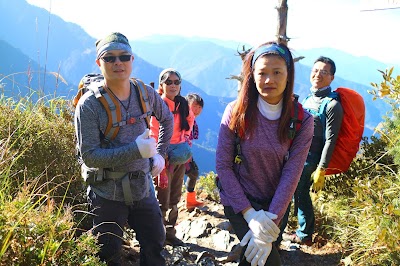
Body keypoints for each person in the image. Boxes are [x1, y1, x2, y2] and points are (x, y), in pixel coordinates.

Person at [74, 32, 173, 266]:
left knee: (155, 246)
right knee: (108, 254)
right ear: (99, 63)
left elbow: (167, 120)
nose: (118, 62)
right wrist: (136, 150)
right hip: (107, 191)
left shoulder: (145, 93)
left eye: (123, 56)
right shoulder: (89, 105)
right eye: (109, 58)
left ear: (132, 59)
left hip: (142, 186)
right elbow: (90, 156)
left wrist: (160, 153)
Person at [215, 41, 314, 266]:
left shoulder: (302, 121)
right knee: (266, 260)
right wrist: (250, 215)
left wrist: (271, 218)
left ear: (288, 75)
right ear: (252, 75)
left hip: (276, 205)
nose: (269, 80)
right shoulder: (236, 111)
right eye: (262, 73)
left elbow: (292, 173)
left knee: (257, 256)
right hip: (239, 201)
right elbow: (223, 166)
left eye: (277, 72)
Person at [281, 56, 344, 245]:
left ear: (332, 77)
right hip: (295, 153)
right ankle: (298, 230)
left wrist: (322, 168)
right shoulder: (308, 98)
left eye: (324, 72)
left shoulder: (332, 105)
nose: (318, 75)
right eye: (315, 71)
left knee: (298, 190)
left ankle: (304, 234)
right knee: (295, 190)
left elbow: (330, 139)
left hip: (311, 157)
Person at [150, 68, 195, 247]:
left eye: (176, 82)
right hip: (162, 158)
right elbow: (154, 131)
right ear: (161, 85)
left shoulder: (182, 104)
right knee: (162, 197)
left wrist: (183, 139)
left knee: (175, 197)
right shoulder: (158, 105)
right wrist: (161, 153)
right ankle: (158, 235)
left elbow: (190, 122)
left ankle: (170, 233)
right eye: (168, 82)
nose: (173, 85)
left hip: (178, 157)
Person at [184, 93, 205, 211]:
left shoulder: (191, 120)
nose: (197, 110)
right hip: (179, 152)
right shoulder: (183, 119)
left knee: (194, 173)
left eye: (199, 107)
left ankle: (190, 200)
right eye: (194, 106)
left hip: (185, 152)